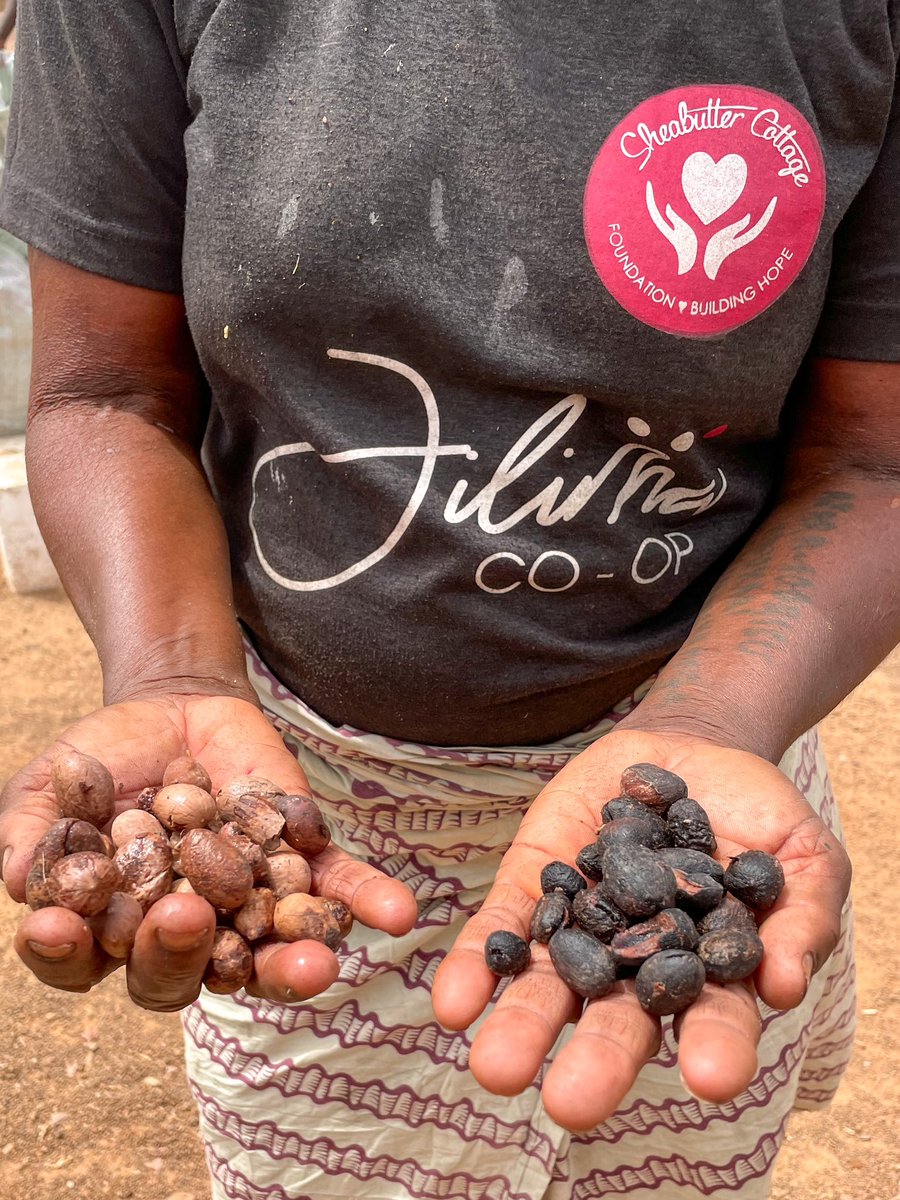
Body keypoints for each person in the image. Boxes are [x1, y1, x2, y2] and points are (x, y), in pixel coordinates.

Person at [0, 1, 897, 1196]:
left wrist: (713, 724)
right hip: (304, 801)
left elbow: (876, 459)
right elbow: (106, 388)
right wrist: (171, 672)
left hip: (702, 751)